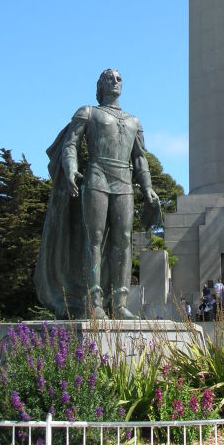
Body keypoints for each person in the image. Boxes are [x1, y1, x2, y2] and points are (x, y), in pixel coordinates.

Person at [35, 69, 161, 319]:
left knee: (124, 240)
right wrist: (71, 168)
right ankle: (94, 302)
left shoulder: (134, 121)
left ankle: (120, 302)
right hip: (97, 176)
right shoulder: (88, 112)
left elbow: (139, 158)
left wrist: (147, 188)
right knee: (94, 238)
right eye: (109, 78)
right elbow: (70, 144)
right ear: (100, 85)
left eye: (119, 78)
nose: (115, 81)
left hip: (124, 181)